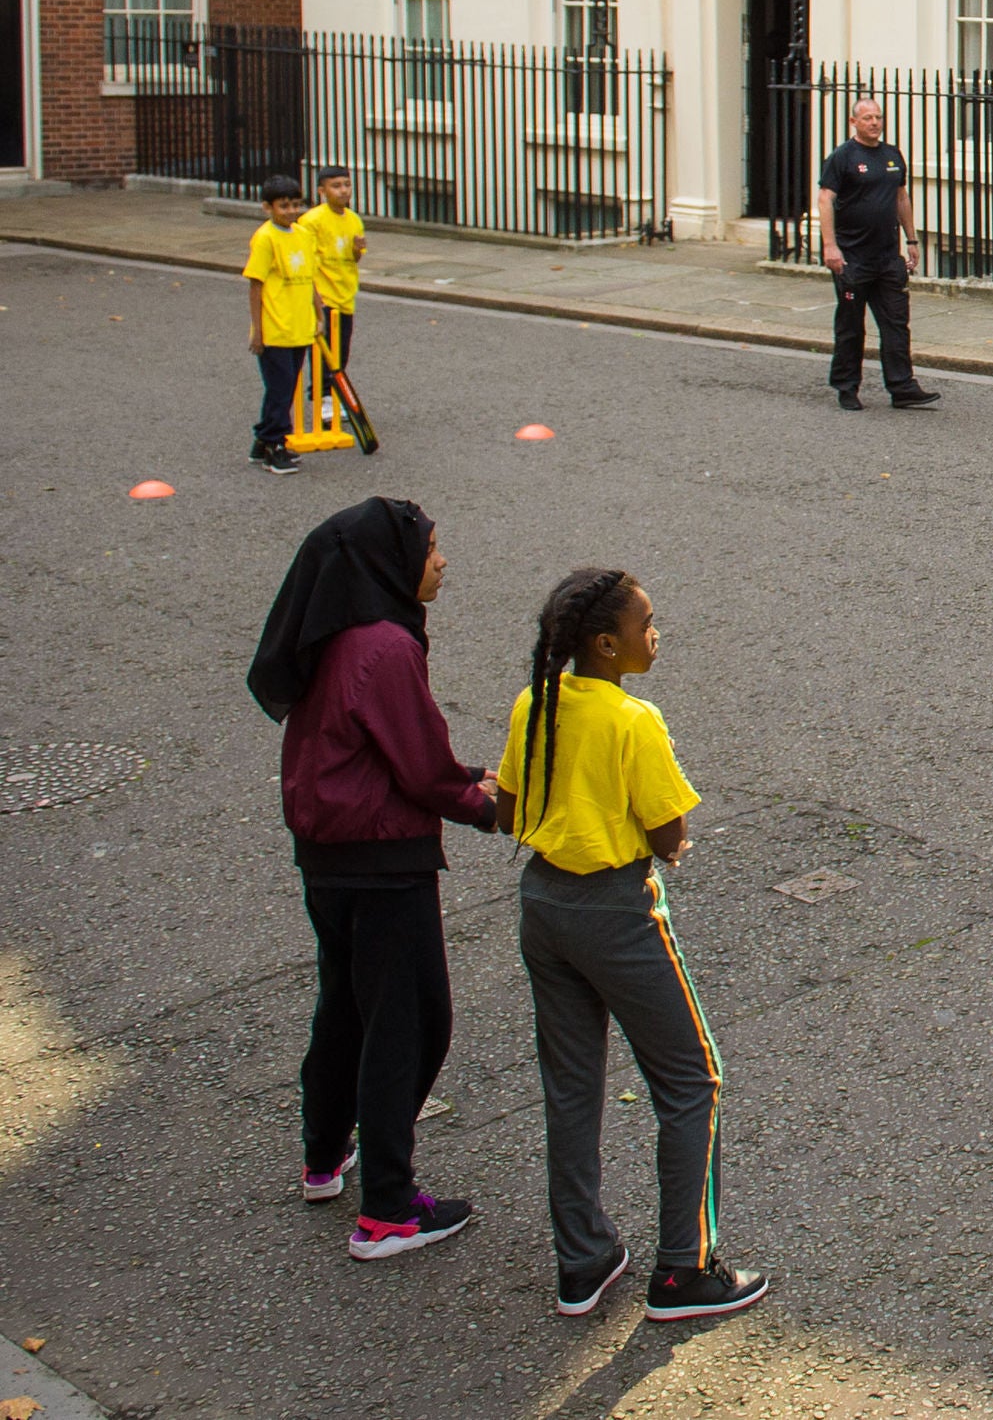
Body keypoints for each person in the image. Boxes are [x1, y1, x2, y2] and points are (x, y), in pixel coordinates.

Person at [499, 567, 768, 1324]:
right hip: (617, 909)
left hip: (544, 903)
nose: (657, 632)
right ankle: (685, 1268)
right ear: (609, 644)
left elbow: (507, 806)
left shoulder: (536, 700)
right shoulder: (633, 719)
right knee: (693, 1078)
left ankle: (581, 1258)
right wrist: (670, 844)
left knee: (572, 1083)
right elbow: (668, 829)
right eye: (648, 622)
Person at [249, 497, 508, 1259]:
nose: (441, 560)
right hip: (384, 861)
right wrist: (484, 803)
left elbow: (379, 746)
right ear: (391, 562)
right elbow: (419, 764)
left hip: (329, 852)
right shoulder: (386, 644)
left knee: (346, 1007)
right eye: (432, 548)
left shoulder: (335, 634)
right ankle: (389, 1207)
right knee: (410, 1020)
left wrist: (462, 776)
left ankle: (324, 1155)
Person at [815, 97, 937, 413]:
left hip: (887, 258)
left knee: (896, 323)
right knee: (851, 326)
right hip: (852, 258)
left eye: (878, 117)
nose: (874, 123)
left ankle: (902, 387)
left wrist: (911, 239)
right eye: (867, 118)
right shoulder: (842, 157)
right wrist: (830, 246)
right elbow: (825, 200)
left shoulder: (892, 155)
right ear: (854, 122)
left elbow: (901, 198)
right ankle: (846, 387)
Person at [243, 175, 320, 473]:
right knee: (279, 388)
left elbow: (310, 278)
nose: (290, 211)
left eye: (295, 205)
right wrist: (258, 331)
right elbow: (256, 285)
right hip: (275, 329)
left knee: (286, 390)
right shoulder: (265, 239)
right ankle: (275, 443)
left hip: (299, 325)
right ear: (268, 207)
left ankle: (262, 442)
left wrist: (319, 314)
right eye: (283, 206)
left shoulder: (302, 235)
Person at [298, 166, 369, 371]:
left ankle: (335, 396)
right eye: (336, 186)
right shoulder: (312, 220)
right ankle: (323, 395)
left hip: (345, 295)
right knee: (323, 352)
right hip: (324, 296)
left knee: (341, 352)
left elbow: (354, 259)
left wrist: (357, 250)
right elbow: (306, 259)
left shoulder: (354, 219)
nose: (343, 190)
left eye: (347, 185)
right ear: (322, 191)